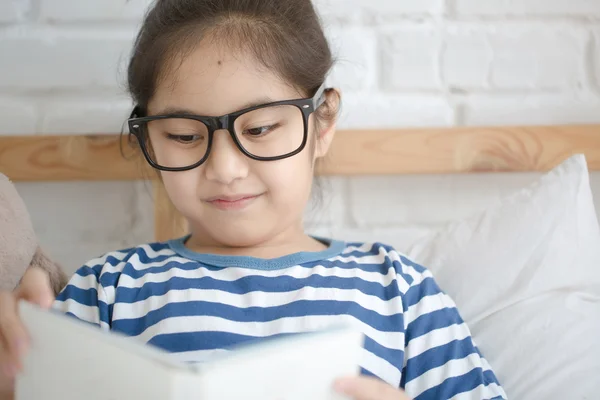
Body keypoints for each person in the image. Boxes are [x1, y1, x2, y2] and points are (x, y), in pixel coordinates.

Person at [0, 1, 507, 399]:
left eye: (261, 128)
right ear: (146, 138)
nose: (224, 169)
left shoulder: (399, 290)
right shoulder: (107, 290)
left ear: (322, 122)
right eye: (183, 135)